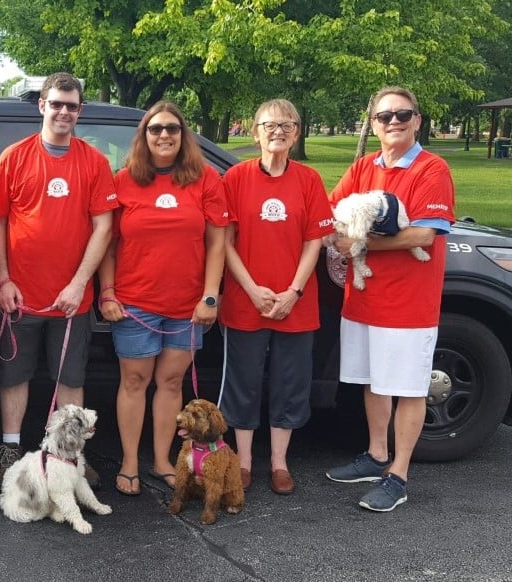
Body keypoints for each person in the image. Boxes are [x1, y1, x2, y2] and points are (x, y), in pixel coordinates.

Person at [0, 72, 117, 491]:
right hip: (19, 296)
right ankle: (8, 451)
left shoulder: (93, 162)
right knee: (13, 377)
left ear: (80, 111)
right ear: (42, 106)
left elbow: (103, 227)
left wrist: (79, 284)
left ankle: (71, 456)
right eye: (56, 103)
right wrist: (2, 280)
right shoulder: (14, 156)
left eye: (71, 105)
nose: (63, 111)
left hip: (71, 298)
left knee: (71, 379)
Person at [325, 87, 455, 512]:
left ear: (417, 120)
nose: (394, 122)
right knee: (373, 383)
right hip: (363, 301)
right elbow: (333, 215)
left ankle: (397, 474)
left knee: (409, 388)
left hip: (407, 305)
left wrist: (358, 245)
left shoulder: (432, 169)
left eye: (403, 115)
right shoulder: (363, 166)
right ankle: (376, 454)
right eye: (385, 117)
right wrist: (343, 238)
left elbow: (424, 234)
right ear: (374, 123)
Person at [97, 101, 227, 495]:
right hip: (134, 303)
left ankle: (162, 461)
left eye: (172, 128)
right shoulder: (123, 181)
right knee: (134, 381)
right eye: (155, 129)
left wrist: (210, 295)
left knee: (171, 383)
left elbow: (218, 240)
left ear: (183, 135)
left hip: (187, 307)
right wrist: (107, 292)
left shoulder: (205, 179)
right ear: (144, 135)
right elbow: (108, 243)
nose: (164, 135)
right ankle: (130, 462)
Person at [217, 99, 334, 496]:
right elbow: (225, 242)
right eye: (269, 125)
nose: (278, 131)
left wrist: (293, 292)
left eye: (287, 125)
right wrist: (251, 289)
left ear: (297, 133)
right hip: (245, 299)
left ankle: (280, 463)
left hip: (294, 303)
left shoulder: (309, 180)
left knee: (290, 383)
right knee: (243, 382)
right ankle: (244, 461)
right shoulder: (235, 178)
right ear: (254, 132)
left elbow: (314, 240)